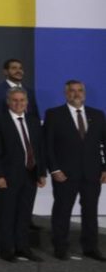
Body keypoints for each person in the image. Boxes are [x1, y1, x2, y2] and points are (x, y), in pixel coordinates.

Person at [45, 80, 106, 261]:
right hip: (64, 174)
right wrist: (54, 169)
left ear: (84, 93)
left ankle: (90, 248)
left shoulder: (98, 115)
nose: (76, 94)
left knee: (90, 212)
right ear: (66, 94)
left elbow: (104, 143)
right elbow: (48, 146)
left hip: (92, 173)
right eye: (72, 91)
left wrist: (104, 168)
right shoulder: (54, 114)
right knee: (62, 211)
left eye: (80, 90)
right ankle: (60, 247)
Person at [0, 87, 46, 262]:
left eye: (22, 100)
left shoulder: (33, 121)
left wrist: (41, 172)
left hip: (30, 174)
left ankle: (23, 248)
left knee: (24, 213)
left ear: (27, 103)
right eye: (15, 100)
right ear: (8, 102)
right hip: (8, 176)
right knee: (7, 214)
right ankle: (6, 249)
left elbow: (40, 149)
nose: (18, 103)